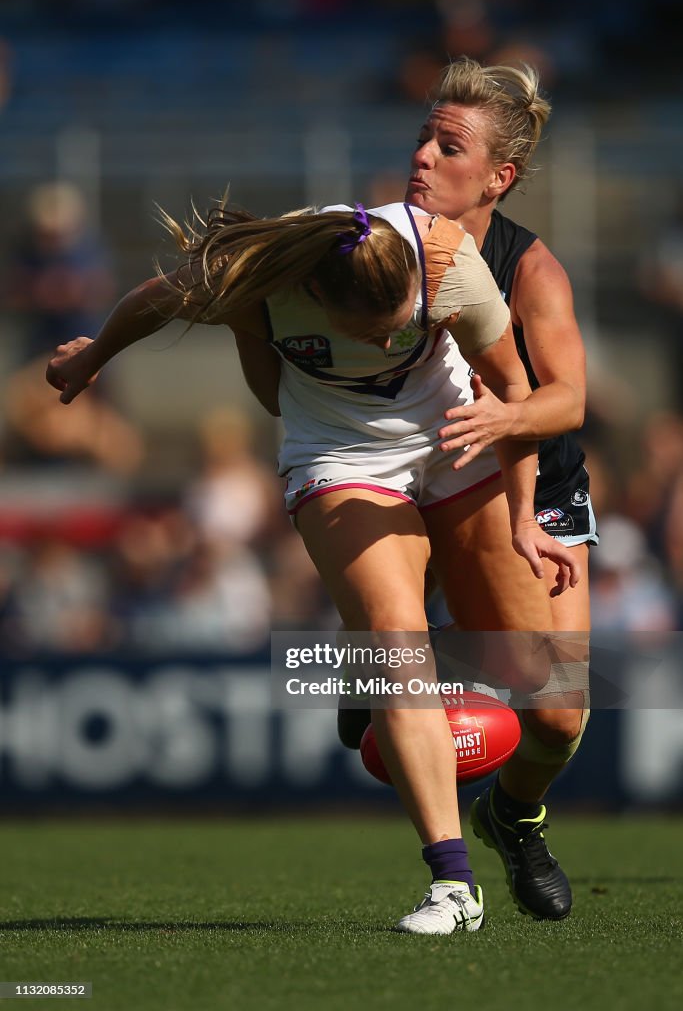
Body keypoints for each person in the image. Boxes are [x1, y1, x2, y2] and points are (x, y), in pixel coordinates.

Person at [46, 199, 580, 935]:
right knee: (395, 639)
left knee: (552, 698)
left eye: (404, 322)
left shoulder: (451, 269)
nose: (395, 335)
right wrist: (90, 357)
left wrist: (523, 517)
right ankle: (452, 885)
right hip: (341, 453)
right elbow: (150, 301)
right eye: (376, 329)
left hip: (455, 438)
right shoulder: (250, 275)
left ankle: (504, 810)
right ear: (320, 296)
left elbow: (516, 394)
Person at [233, 57, 594, 922]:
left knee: (556, 719)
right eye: (422, 137)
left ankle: (514, 816)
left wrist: (506, 421)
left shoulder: (527, 269)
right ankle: (443, 854)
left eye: (448, 145)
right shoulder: (375, 245)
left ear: (498, 178)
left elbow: (565, 402)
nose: (422, 157)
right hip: (412, 464)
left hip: (527, 473)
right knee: (396, 632)